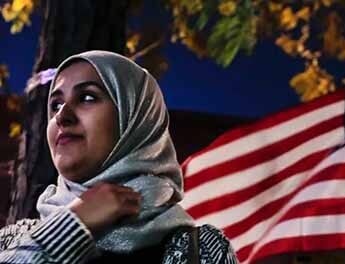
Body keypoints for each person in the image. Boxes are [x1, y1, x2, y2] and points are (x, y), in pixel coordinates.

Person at [0, 50, 238, 263]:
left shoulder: (201, 250)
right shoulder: (11, 241)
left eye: (87, 98)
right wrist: (74, 222)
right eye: (55, 104)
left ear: (135, 119)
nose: (62, 116)